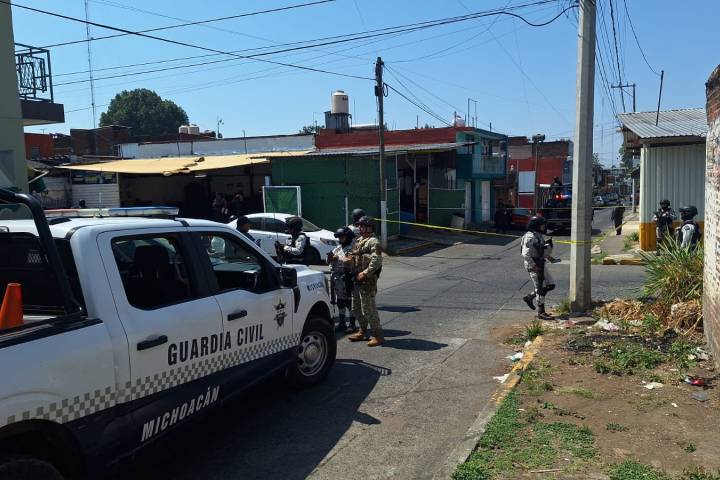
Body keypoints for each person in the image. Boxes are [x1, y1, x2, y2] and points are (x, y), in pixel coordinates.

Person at [347, 216, 384, 346]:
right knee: (356, 308)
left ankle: (378, 335)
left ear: (369, 227)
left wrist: (366, 273)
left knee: (368, 308)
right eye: (359, 226)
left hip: (368, 280)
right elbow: (353, 256)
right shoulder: (359, 240)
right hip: (356, 278)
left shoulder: (373, 242)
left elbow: (377, 260)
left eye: (362, 226)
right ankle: (362, 331)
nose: (360, 228)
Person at [521, 216, 555, 320]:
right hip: (534, 264)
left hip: (540, 262)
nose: (544, 227)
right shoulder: (529, 237)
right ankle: (541, 312)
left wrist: (548, 256)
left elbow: (540, 250)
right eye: (542, 225)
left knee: (550, 285)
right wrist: (534, 266)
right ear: (536, 226)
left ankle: (530, 297)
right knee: (541, 288)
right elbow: (525, 254)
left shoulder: (538, 235)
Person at [327, 226, 356, 333]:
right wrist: (330, 257)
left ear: (348, 237)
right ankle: (342, 323)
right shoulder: (338, 247)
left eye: (342, 237)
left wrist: (337, 258)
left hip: (348, 277)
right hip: (337, 278)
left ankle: (352, 324)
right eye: (339, 237)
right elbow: (329, 260)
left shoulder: (354, 247)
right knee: (340, 301)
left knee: (350, 301)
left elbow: (350, 260)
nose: (340, 239)